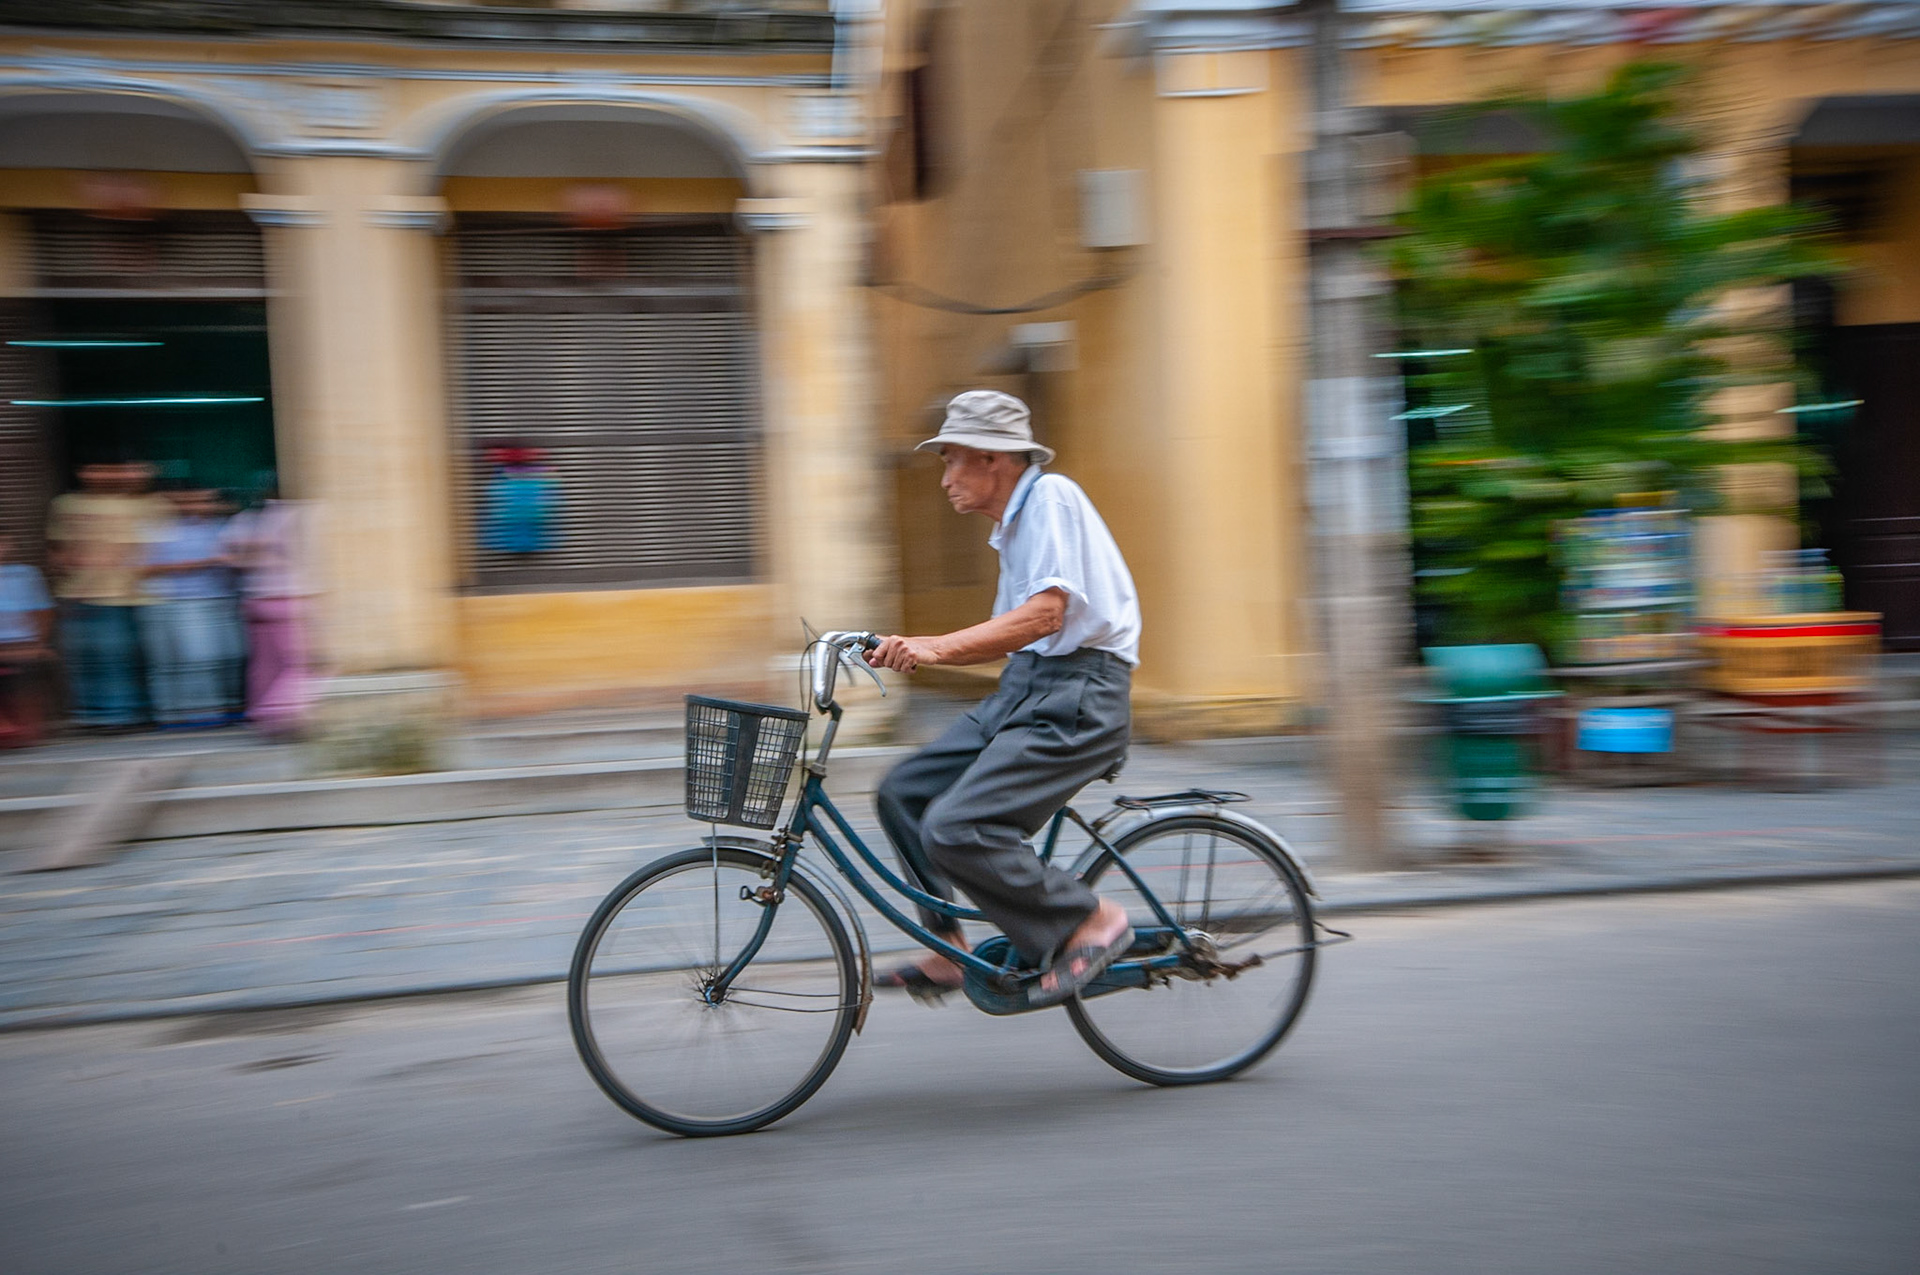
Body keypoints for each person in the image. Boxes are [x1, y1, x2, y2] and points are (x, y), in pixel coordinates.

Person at [867, 390, 1141, 1009]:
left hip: (1080, 696)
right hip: (1028, 688)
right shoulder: (1013, 528)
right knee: (902, 792)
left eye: (952, 460)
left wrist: (934, 647)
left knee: (957, 825)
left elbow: (1046, 616)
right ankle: (946, 948)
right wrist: (893, 646)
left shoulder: (1050, 498)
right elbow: (1012, 636)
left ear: (993, 459)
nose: (943, 479)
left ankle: (1093, 919)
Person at [45, 462, 169, 729]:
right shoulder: (68, 505)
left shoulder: (154, 504)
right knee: (93, 659)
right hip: (85, 593)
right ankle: (103, 716)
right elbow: (56, 548)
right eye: (99, 469)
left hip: (138, 595)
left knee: (133, 658)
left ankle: (135, 714)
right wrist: (65, 567)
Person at [139, 488, 243, 728]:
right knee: (191, 660)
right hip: (178, 602)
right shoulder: (159, 529)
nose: (198, 505)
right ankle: (187, 715)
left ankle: (219, 709)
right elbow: (143, 568)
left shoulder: (223, 527)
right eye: (189, 499)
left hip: (222, 599)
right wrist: (203, 563)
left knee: (226, 656)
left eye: (204, 500)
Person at [220, 488, 314, 737]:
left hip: (256, 597)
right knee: (302, 660)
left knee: (264, 662)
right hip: (292, 597)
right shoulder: (306, 514)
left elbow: (229, 558)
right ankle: (278, 712)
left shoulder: (247, 519)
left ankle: (263, 718)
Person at [0, 533, 55, 747]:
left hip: (24, 646)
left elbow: (44, 612)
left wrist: (39, 644)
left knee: (31, 671)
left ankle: (25, 727)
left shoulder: (26, 574)